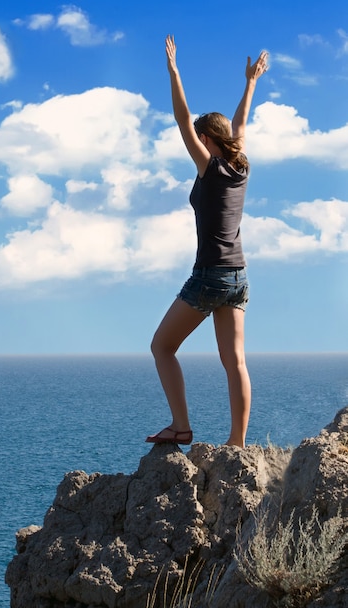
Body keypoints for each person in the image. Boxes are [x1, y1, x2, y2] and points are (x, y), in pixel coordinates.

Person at [146, 35, 268, 448]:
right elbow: (242, 124)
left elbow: (183, 121)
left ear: (209, 142)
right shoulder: (241, 166)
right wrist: (250, 83)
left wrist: (174, 72)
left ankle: (180, 426)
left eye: (201, 140)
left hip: (210, 275)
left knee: (161, 346)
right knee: (235, 362)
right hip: (239, 276)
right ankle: (238, 445)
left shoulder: (212, 167)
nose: (196, 145)